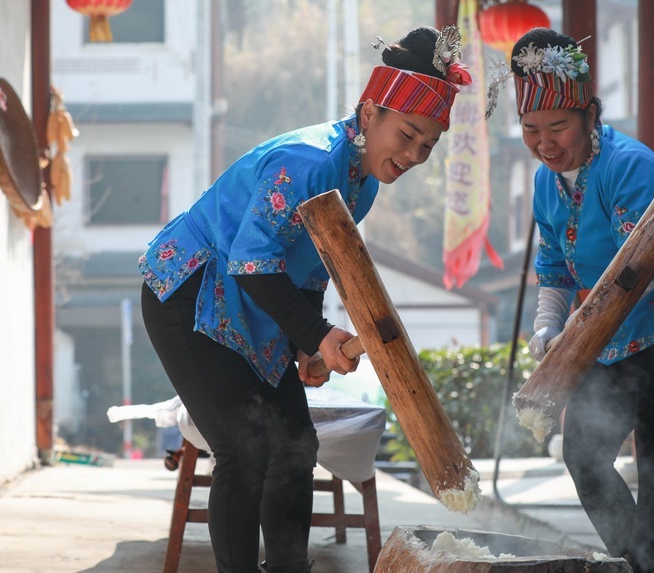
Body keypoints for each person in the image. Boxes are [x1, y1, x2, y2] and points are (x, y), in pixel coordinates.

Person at [139, 25, 470, 573]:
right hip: (189, 292)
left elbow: (308, 270)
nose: (414, 154)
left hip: (251, 302)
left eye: (427, 147)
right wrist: (316, 334)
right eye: (407, 134)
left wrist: (306, 345)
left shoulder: (361, 182)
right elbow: (251, 261)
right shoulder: (311, 160)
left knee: (295, 447)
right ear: (370, 114)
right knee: (244, 452)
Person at [506, 28, 654, 573]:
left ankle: (639, 567)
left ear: (589, 115)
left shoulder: (628, 165)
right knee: (582, 453)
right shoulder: (545, 182)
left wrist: (577, 336)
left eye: (558, 126)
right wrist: (548, 331)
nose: (545, 142)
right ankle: (629, 562)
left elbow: (642, 273)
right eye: (531, 129)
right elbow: (554, 268)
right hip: (607, 327)